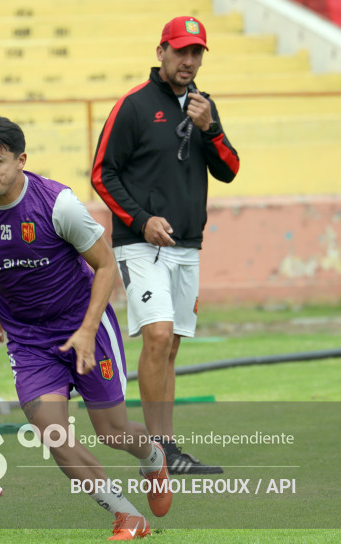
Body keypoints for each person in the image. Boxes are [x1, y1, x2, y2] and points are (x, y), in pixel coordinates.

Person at [0, 115, 172, 540]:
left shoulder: (58, 204)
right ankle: (127, 516)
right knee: (53, 433)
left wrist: (87, 330)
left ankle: (152, 458)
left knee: (112, 433)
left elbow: (106, 266)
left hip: (84, 326)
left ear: (21, 160)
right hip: (29, 340)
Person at [91, 16, 240, 475]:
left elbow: (229, 169)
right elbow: (101, 173)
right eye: (181, 51)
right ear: (161, 52)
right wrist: (142, 220)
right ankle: (156, 451)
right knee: (157, 336)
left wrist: (210, 128)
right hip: (141, 245)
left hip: (187, 246)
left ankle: (167, 451)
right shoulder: (133, 105)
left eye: (196, 53)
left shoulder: (204, 106)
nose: (188, 61)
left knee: (170, 346)